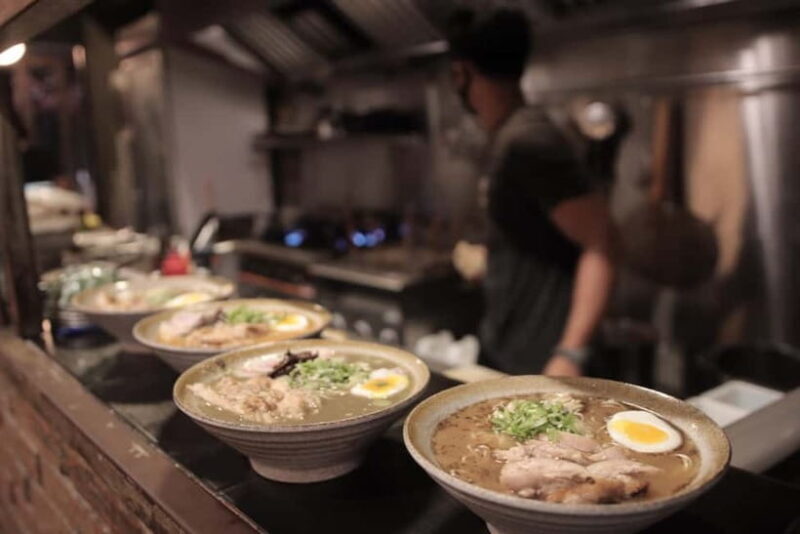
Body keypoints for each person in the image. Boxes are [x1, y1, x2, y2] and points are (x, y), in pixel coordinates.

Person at [447, 8, 617, 377]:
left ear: (462, 73)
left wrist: (571, 353)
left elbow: (601, 241)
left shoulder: (529, 142)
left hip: (543, 355)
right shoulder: (509, 136)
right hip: (508, 343)